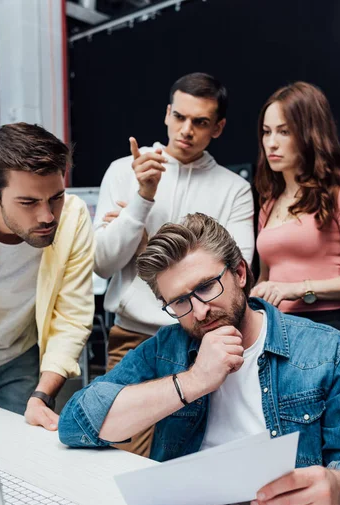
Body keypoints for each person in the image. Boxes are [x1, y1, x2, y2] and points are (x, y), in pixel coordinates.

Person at [59, 213, 340, 505]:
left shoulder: (329, 351)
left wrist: (339, 488)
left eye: (206, 287)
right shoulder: (167, 347)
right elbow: (76, 423)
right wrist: (193, 381)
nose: (199, 311)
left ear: (240, 272)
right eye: (180, 302)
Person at [94, 72, 254, 457]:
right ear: (167, 113)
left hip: (204, 342)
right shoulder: (123, 172)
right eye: (179, 117)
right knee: (118, 458)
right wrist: (142, 198)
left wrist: (146, 247)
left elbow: (240, 269)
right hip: (134, 339)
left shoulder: (234, 188)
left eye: (200, 122)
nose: (186, 130)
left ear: (218, 127)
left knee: (194, 459)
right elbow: (102, 263)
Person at [0, 123, 94, 429]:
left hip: (18, 356)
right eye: (28, 202)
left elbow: (71, 316)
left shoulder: (73, 216)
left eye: (55, 197)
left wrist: (42, 395)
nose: (47, 216)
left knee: (19, 458)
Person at [251, 81, 340, 350]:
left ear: (308, 133)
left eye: (284, 132)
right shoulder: (268, 203)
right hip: (275, 332)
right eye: (266, 132)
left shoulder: (339, 193)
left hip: (326, 329)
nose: (271, 143)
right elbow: (266, 278)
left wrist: (300, 288)